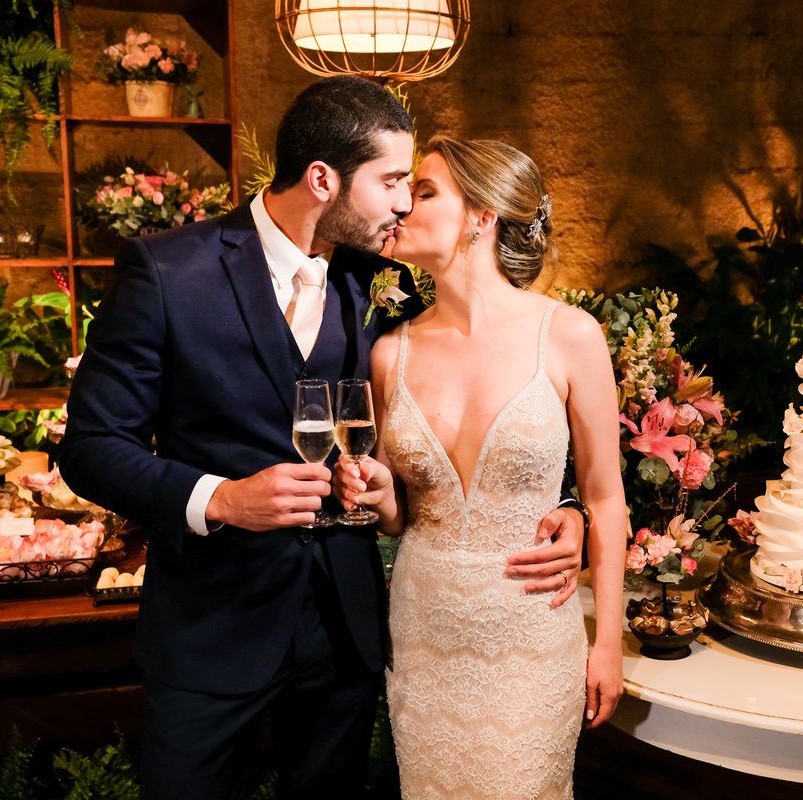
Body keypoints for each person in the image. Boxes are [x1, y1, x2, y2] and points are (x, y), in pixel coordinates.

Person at [58, 77, 586, 800]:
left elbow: (488, 394)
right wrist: (220, 499)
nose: (405, 202)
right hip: (213, 633)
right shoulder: (168, 271)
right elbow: (89, 447)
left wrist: (566, 506)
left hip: (343, 636)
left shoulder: (382, 282)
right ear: (322, 180)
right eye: (393, 181)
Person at [333, 135, 626, 799]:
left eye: (426, 190)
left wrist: (608, 643)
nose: (403, 204)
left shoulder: (570, 334)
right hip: (423, 635)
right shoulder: (390, 352)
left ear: (482, 216)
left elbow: (604, 496)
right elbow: (394, 516)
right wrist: (376, 492)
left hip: (530, 632)